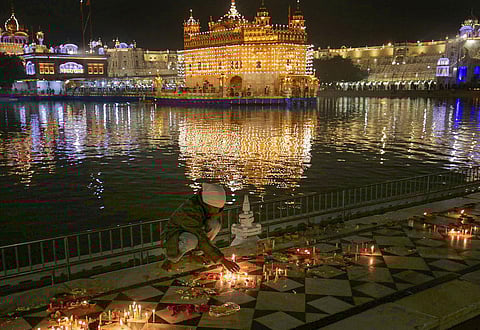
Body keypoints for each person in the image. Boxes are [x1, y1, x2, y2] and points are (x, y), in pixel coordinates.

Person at [161, 183, 240, 273]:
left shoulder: (202, 205)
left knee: (215, 224)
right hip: (173, 237)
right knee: (192, 240)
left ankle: (198, 253)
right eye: (213, 208)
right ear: (207, 204)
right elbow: (200, 237)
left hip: (192, 232)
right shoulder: (190, 210)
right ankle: (171, 259)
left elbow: (202, 234)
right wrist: (222, 260)